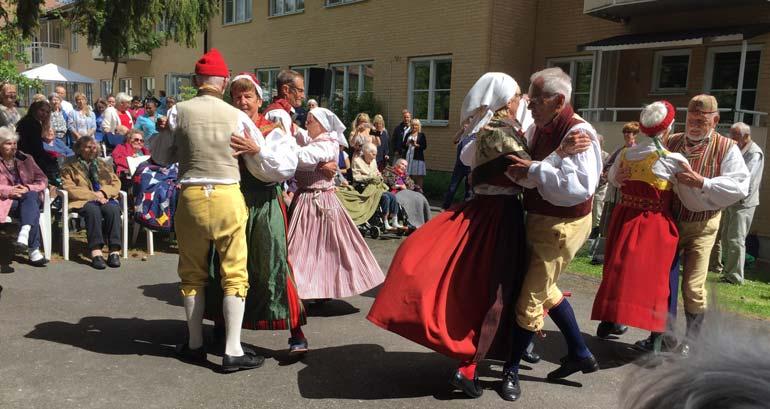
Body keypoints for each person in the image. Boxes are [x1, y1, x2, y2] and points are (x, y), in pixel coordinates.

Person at [369, 73, 550, 401]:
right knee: (497, 290)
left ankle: (483, 358)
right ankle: (470, 367)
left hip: (478, 212)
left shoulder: (482, 131)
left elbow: (470, 158)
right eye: (516, 96)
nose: (520, 101)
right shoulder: (504, 133)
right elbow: (530, 178)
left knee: (476, 286)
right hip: (501, 216)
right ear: (503, 100)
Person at [169, 48, 263, 372]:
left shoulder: (178, 111)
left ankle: (195, 344)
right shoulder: (237, 116)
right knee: (234, 273)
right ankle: (232, 349)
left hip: (192, 194)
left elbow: (160, 153)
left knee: (192, 273)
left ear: (196, 80)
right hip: (226, 193)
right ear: (223, 82)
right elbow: (258, 153)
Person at [504, 67, 600, 386]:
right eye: (528, 98)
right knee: (546, 289)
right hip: (541, 218)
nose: (529, 105)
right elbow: (531, 175)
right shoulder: (541, 128)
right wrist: (541, 168)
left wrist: (535, 170)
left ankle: (511, 371)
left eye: (536, 99)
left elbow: (574, 188)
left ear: (558, 100)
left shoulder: (578, 132)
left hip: (563, 224)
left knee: (529, 297)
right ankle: (580, 352)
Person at [204, 71, 309, 355]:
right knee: (225, 264)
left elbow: (285, 168)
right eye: (236, 96)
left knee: (273, 263)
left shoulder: (272, 129)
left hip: (264, 204)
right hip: (232, 201)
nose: (242, 102)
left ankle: (296, 332)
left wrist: (256, 151)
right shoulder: (225, 128)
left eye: (247, 96)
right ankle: (222, 325)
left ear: (258, 99)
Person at [640, 94, 749, 355]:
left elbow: (739, 187)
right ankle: (661, 337)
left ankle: (692, 341)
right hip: (671, 222)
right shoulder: (673, 140)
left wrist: (703, 182)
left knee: (692, 286)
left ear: (715, 120)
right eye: (691, 119)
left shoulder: (727, 147)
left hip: (704, 225)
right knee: (660, 282)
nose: (695, 124)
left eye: (702, 120)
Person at [592, 101, 695, 350]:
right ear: (668, 127)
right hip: (654, 222)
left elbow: (614, 181)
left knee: (616, 271)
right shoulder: (674, 160)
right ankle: (656, 337)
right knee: (657, 282)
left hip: (624, 218)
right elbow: (689, 197)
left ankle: (609, 321)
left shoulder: (626, 153)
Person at [288, 107, 385, 299]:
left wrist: (315, 162)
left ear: (322, 125)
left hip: (319, 201)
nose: (306, 123)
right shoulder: (317, 141)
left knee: (322, 249)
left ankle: (315, 289)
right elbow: (301, 138)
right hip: (307, 199)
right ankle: (309, 289)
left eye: (310, 120)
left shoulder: (326, 143)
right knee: (310, 249)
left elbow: (301, 156)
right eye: (307, 119)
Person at [61, 135, 123, 269]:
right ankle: (96, 252)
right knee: (92, 210)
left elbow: (116, 182)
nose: (93, 150)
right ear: (79, 149)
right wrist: (93, 195)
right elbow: (69, 187)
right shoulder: (69, 164)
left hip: (105, 197)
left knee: (113, 209)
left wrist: (103, 193)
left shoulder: (102, 163)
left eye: (94, 147)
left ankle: (114, 251)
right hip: (83, 200)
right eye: (88, 147)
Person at [718, 122, 763, 285]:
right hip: (733, 199)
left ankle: (735, 277)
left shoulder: (754, 152)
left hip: (744, 203)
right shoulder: (739, 149)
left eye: (734, 135)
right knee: (726, 237)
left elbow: (746, 178)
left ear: (745, 136)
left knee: (736, 239)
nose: (731, 138)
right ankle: (728, 272)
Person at [591, 121, 639, 263]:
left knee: (616, 223)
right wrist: (606, 174)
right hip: (612, 191)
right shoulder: (620, 149)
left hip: (622, 193)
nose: (626, 135)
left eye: (629, 132)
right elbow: (608, 165)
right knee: (606, 222)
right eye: (625, 132)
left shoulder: (635, 151)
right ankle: (601, 255)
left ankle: (613, 255)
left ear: (635, 134)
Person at [0, 126, 49, 266]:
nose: (13, 146)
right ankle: (33, 250)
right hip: (7, 202)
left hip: (28, 198)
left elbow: (43, 180)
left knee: (30, 195)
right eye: (8, 143)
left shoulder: (26, 159)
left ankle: (24, 231)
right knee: (31, 204)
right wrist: (9, 190)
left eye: (14, 143)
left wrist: (27, 187)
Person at [352, 142, 402, 230]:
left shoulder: (373, 161)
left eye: (375, 154)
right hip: (364, 187)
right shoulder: (357, 161)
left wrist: (378, 175)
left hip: (376, 186)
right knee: (385, 197)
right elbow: (356, 177)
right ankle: (385, 221)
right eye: (373, 154)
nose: (375, 157)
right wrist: (370, 177)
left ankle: (394, 220)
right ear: (366, 152)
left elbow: (376, 172)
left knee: (392, 196)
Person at [16, 100, 61, 190]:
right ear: (35, 110)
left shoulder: (27, 120)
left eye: (47, 112)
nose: (44, 114)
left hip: (24, 156)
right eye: (42, 110)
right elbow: (36, 149)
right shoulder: (33, 123)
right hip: (27, 159)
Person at [383, 158, 431, 227]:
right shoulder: (388, 171)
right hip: (394, 193)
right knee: (407, 200)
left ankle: (421, 221)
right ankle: (410, 221)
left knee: (419, 198)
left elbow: (412, 185)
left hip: (405, 193)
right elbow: (389, 183)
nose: (403, 167)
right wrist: (400, 186)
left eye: (405, 166)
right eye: (402, 164)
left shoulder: (405, 175)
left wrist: (414, 189)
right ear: (396, 164)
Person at [441, 122, 473, 210]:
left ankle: (466, 208)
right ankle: (445, 206)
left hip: (470, 166)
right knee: (452, 187)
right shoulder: (463, 136)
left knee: (468, 189)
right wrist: (462, 130)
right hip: (459, 166)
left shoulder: (475, 135)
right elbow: (454, 140)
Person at [403, 119, 427, 188]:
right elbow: (403, 146)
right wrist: (407, 144)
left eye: (416, 125)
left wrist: (416, 145)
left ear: (418, 126)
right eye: (413, 125)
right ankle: (411, 190)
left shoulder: (421, 135)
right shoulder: (408, 134)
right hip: (408, 158)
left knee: (418, 176)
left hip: (417, 158)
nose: (414, 126)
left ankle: (419, 191)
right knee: (408, 175)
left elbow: (424, 146)